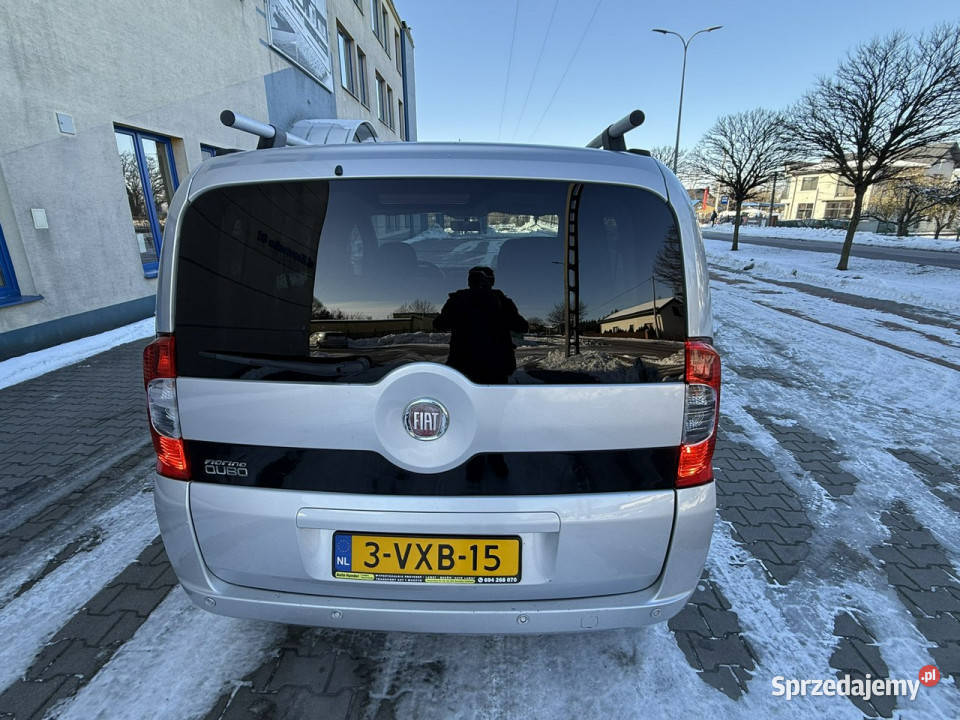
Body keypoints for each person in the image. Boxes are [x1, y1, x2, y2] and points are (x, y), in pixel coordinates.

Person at [433, 266, 528, 384]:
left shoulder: (457, 300)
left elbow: (439, 324)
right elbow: (522, 326)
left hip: (462, 367)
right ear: (491, 282)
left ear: (469, 282)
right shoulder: (502, 301)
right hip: (496, 367)